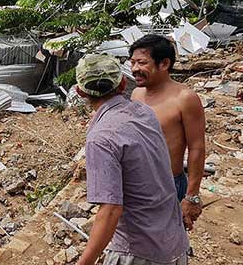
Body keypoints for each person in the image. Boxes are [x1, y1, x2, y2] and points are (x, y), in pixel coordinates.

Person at [75, 54, 189, 265]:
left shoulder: (101, 139)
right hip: (174, 242)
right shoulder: (144, 113)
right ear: (123, 83)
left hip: (139, 252)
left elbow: (110, 210)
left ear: (79, 91)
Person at [129, 34, 206, 230]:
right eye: (132, 62)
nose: (134, 69)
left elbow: (197, 148)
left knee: (167, 242)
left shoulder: (185, 98)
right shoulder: (136, 94)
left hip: (168, 185)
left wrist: (192, 196)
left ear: (164, 64)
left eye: (142, 62)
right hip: (136, 183)